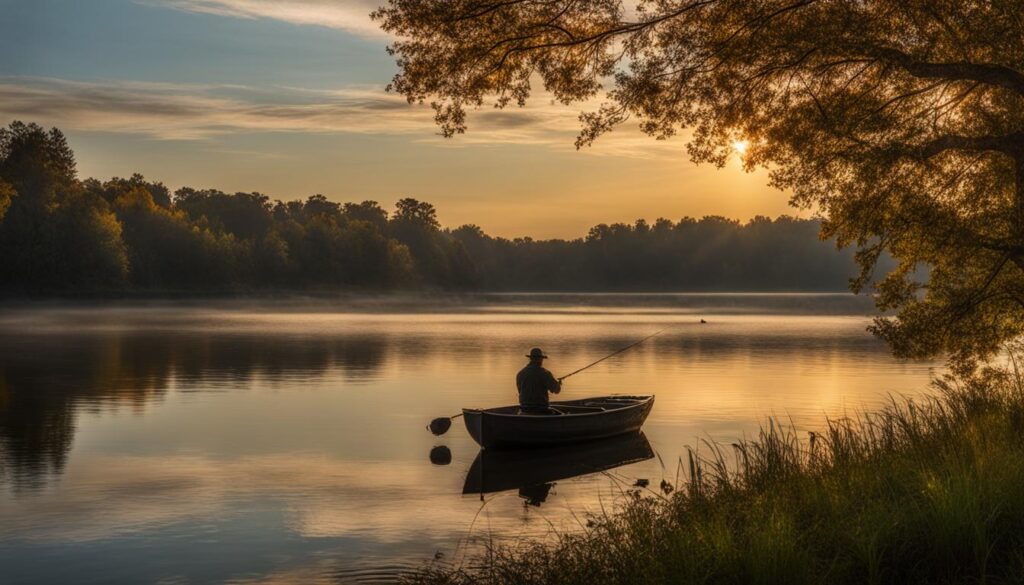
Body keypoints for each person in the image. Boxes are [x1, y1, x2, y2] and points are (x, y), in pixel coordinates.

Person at [516, 347, 562, 413]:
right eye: (541, 359)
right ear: (540, 359)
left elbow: (520, 391)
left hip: (524, 408)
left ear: (530, 359)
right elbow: (556, 390)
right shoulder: (545, 373)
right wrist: (558, 384)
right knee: (564, 414)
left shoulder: (520, 373)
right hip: (541, 409)